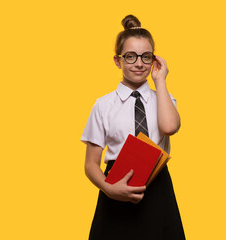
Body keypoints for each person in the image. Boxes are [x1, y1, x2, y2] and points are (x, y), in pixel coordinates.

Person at [81, 15, 186, 239]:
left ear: (154, 60)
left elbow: (169, 127)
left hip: (157, 185)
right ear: (117, 61)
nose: (139, 63)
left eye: (145, 57)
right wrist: (109, 189)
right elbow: (91, 163)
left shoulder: (165, 98)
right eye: (130, 56)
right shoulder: (103, 105)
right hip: (116, 184)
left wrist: (161, 80)